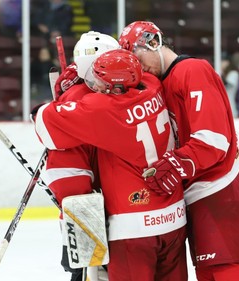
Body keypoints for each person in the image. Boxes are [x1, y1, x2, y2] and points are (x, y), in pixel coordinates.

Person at [33, 48, 188, 281]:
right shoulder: (153, 85)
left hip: (132, 228)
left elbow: (44, 123)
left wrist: (68, 92)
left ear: (116, 88)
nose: (94, 85)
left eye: (100, 81)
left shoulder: (103, 109)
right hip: (174, 221)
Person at [119, 21, 239, 281]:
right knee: (207, 270)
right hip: (198, 185)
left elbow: (213, 139)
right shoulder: (161, 84)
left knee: (225, 268)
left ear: (153, 42)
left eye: (137, 56)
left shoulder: (192, 70)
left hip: (218, 183)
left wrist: (176, 163)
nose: (138, 66)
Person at [35, 31, 120, 281]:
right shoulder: (79, 101)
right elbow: (68, 175)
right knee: (94, 273)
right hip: (94, 212)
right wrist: (82, 228)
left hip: (103, 210)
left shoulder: (83, 98)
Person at [221, 53, 239, 118]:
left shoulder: (234, 73)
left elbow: (227, 85)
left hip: (231, 108)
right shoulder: (219, 73)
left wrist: (220, 72)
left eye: (223, 61)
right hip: (220, 108)